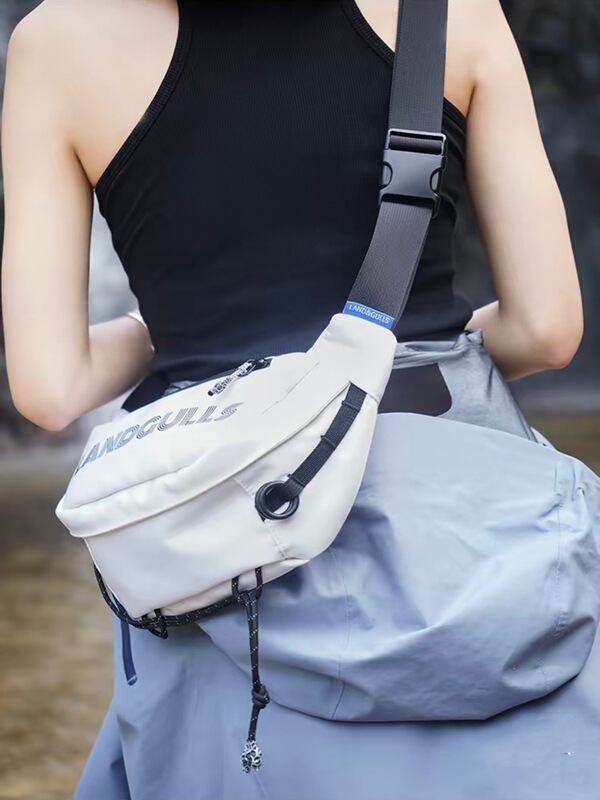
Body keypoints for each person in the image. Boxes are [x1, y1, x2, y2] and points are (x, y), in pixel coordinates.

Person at [1, 1, 589, 798]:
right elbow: (546, 329)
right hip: (463, 514)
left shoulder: (56, 42)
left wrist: (165, 332)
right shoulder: (452, 11)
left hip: (222, 538)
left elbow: (51, 387)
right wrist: (395, 351)